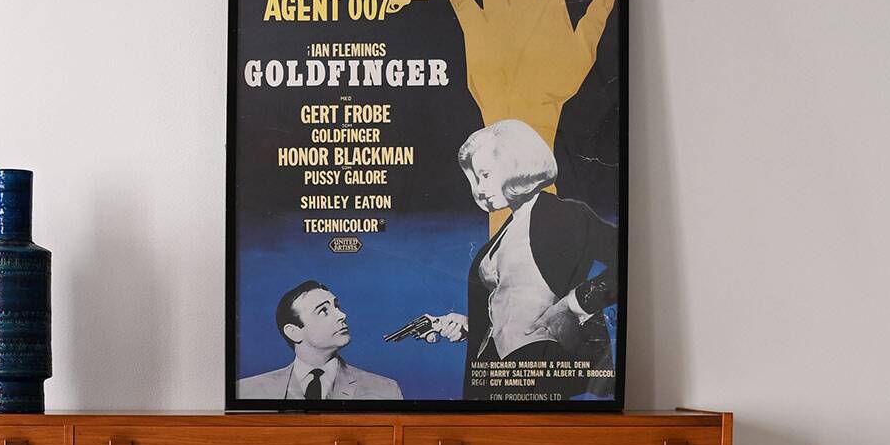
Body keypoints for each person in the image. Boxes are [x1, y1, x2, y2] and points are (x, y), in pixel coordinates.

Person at [423, 121, 618, 397]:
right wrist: (470, 324)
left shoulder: (565, 215)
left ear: (516, 163)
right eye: (475, 178)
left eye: (486, 175)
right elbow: (512, 304)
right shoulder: (491, 246)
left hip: (542, 367)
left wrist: (575, 304)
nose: (479, 188)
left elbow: (626, 261)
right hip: (492, 373)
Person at [239, 280, 402, 401]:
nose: (342, 315)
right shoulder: (246, 390)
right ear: (294, 332)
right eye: (323, 311)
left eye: (336, 306)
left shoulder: (386, 390)